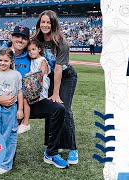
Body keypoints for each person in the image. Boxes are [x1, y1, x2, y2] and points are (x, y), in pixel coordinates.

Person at [0, 25, 69, 170]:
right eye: (17, 36)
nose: (20, 40)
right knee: (5, 158)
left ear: (28, 41)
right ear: (12, 37)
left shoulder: (31, 56)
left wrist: (49, 67)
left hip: (32, 101)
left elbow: (55, 64)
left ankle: (51, 153)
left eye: (24, 38)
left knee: (58, 109)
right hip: (9, 105)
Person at [34, 10, 78, 165]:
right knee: (51, 110)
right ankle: (53, 145)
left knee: (63, 108)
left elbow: (58, 69)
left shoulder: (61, 42)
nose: (45, 25)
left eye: (48, 22)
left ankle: (72, 148)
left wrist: (56, 93)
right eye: (43, 22)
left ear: (53, 24)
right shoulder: (36, 40)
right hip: (49, 77)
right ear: (39, 23)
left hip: (66, 77)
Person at [18, 40, 51, 134]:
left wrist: (31, 74)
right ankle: (20, 122)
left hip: (40, 85)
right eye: (29, 50)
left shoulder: (42, 60)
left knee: (25, 99)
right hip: (32, 84)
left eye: (33, 49)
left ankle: (26, 123)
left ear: (39, 49)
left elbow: (42, 73)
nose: (31, 52)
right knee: (23, 97)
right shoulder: (32, 60)